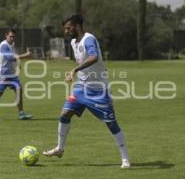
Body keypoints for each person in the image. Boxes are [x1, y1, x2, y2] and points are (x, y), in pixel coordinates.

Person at [43, 15, 131, 168]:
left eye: (68, 28)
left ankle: (125, 159)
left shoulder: (89, 39)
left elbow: (94, 57)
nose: (66, 31)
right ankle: (60, 148)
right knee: (65, 113)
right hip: (81, 88)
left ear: (77, 26)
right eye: (65, 28)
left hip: (98, 91)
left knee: (111, 123)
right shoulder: (73, 42)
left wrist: (75, 69)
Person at [0, 29, 33, 121]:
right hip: (3, 74)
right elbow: (9, 57)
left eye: (13, 37)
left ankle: (21, 113)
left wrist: (18, 63)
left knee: (19, 90)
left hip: (12, 74)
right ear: (6, 35)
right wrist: (25, 55)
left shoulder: (12, 44)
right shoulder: (3, 45)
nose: (12, 38)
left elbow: (14, 56)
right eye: (11, 36)